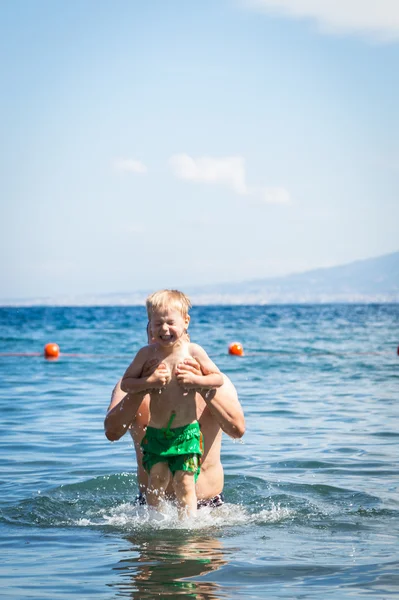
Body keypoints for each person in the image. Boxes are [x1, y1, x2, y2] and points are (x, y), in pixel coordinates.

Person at [104, 300, 245, 513]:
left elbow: (237, 430)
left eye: (171, 329)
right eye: (156, 332)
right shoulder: (131, 386)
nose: (163, 342)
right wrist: (143, 387)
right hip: (150, 510)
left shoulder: (215, 380)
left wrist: (200, 385)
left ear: (184, 334)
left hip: (208, 509)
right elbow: (112, 433)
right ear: (150, 333)